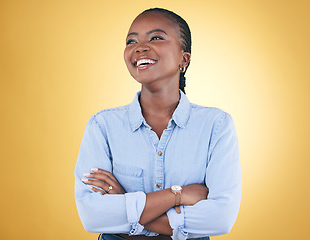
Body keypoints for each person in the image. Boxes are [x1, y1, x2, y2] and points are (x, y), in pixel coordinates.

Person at [74, 8, 242, 240]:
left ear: (184, 58)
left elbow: (220, 219)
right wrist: (177, 195)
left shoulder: (216, 125)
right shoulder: (102, 126)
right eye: (131, 41)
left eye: (156, 37)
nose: (139, 47)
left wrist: (125, 204)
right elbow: (93, 216)